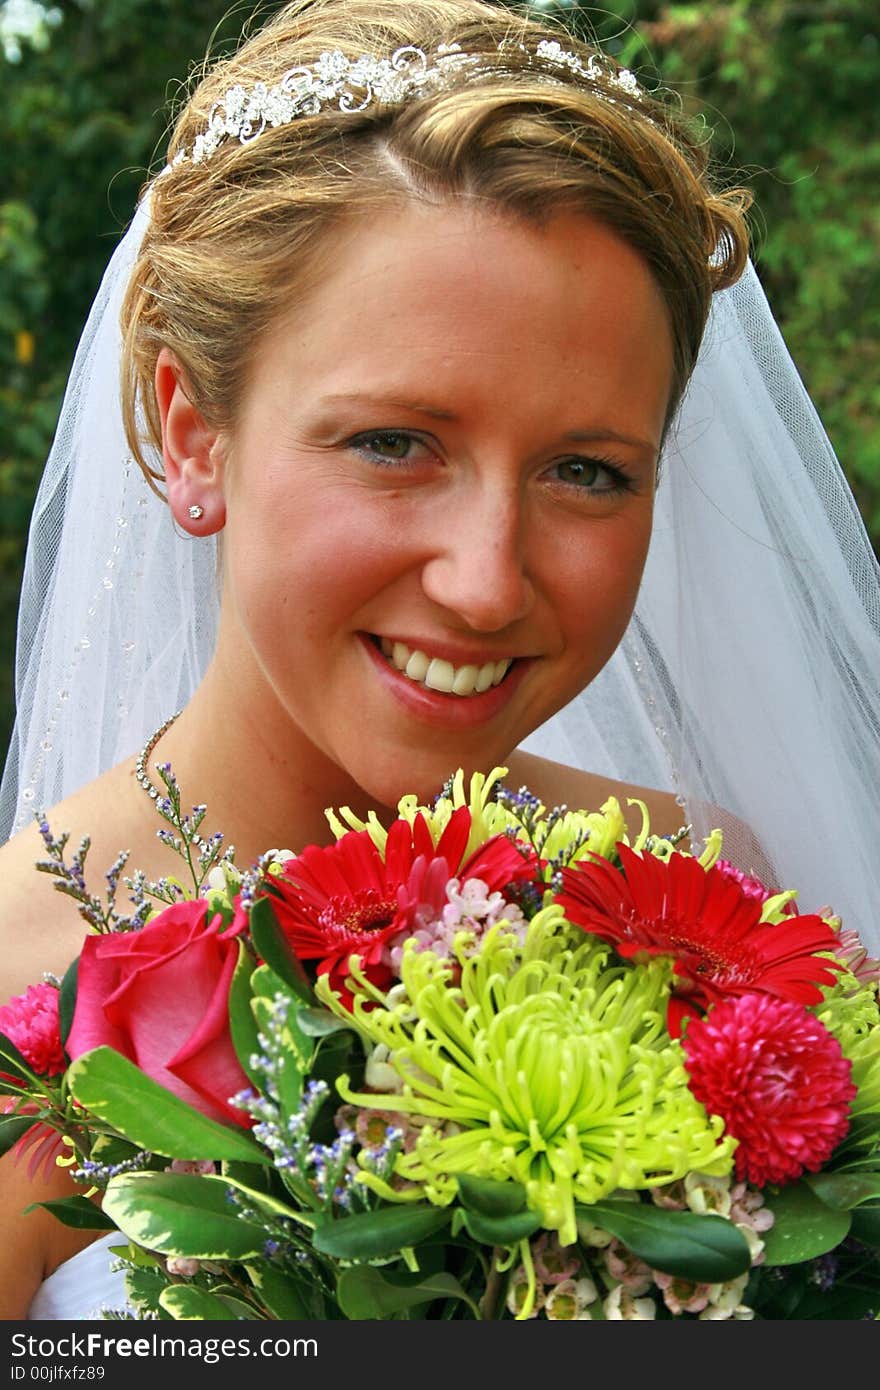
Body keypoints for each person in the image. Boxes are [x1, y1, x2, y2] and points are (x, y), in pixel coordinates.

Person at [0, 0, 878, 1320]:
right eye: (394, 442)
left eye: (588, 470)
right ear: (191, 432)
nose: (485, 581)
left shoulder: (709, 909)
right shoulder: (24, 988)